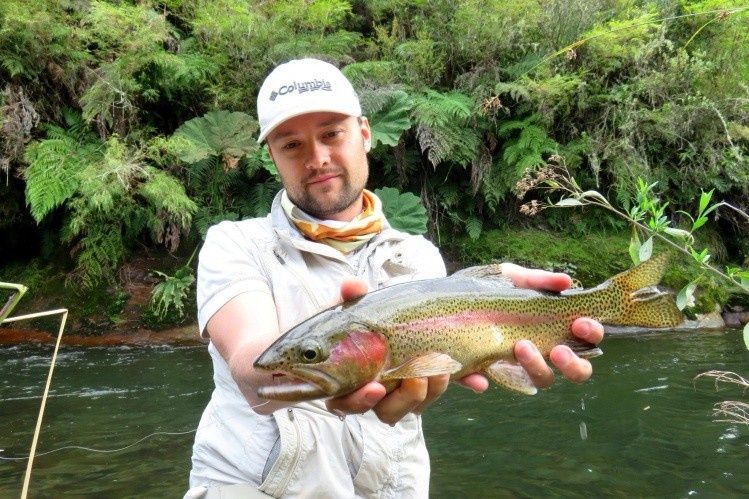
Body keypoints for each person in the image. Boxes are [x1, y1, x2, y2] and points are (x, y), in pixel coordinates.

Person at [185, 58, 604, 498]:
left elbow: (452, 359)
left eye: (331, 134)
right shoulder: (234, 244)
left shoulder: (419, 258)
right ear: (272, 157)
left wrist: (507, 343)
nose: (318, 158)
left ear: (365, 133)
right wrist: (322, 354)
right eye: (292, 145)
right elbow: (252, 357)